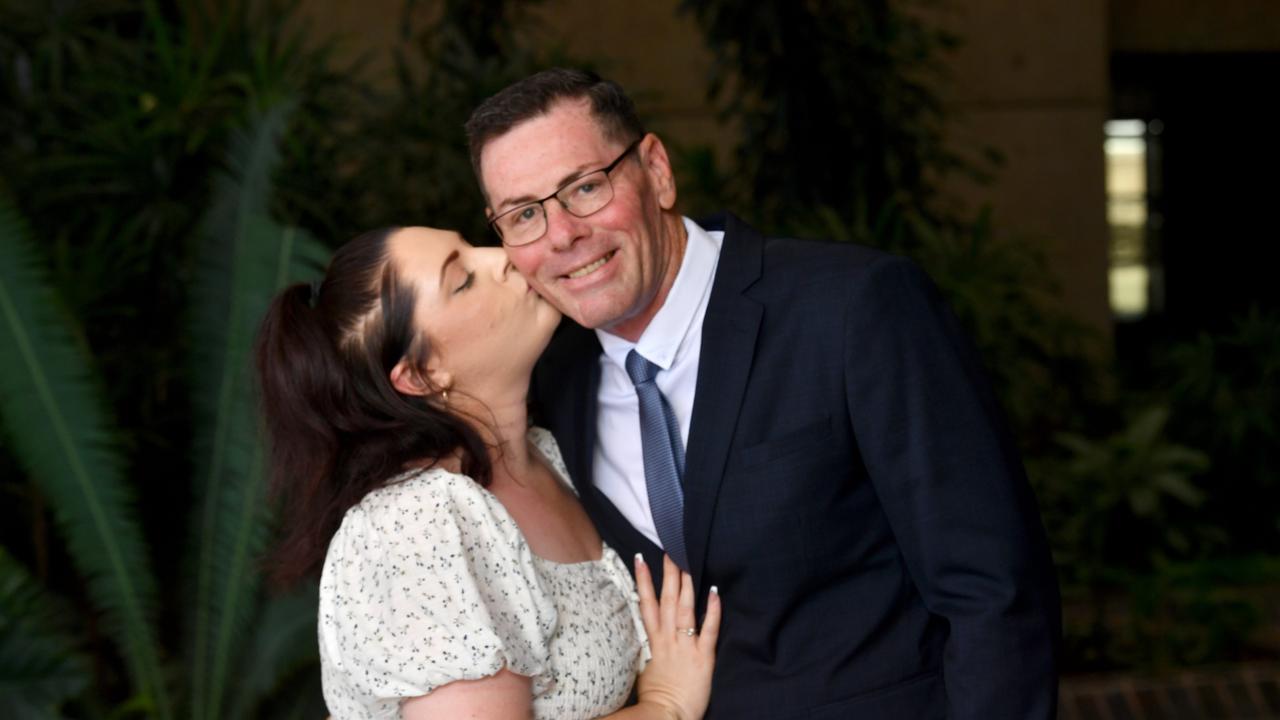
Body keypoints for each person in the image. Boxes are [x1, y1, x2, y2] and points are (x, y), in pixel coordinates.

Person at [465, 68, 1062, 719]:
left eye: (584, 187)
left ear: (657, 171)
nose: (561, 234)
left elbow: (994, 592)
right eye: (524, 214)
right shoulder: (548, 383)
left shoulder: (852, 307)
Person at [255, 226, 720, 719]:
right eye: (463, 280)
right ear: (422, 374)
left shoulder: (551, 452)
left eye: (473, 244)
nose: (502, 258)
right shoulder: (418, 525)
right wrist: (667, 707)